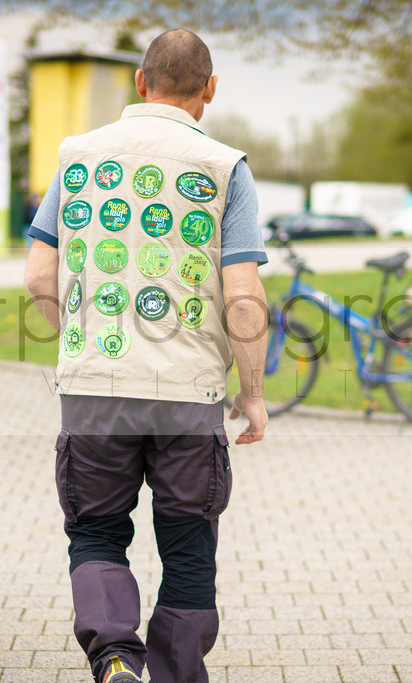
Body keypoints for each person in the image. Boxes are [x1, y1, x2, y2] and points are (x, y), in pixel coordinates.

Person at [24, 29, 269, 683]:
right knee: (188, 540)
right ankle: (174, 672)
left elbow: (38, 275)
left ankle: (113, 657)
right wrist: (253, 393)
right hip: (188, 391)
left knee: (97, 529)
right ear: (209, 91)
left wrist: (75, 336)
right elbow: (243, 296)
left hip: (95, 385)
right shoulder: (224, 168)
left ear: (140, 82)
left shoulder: (77, 158)